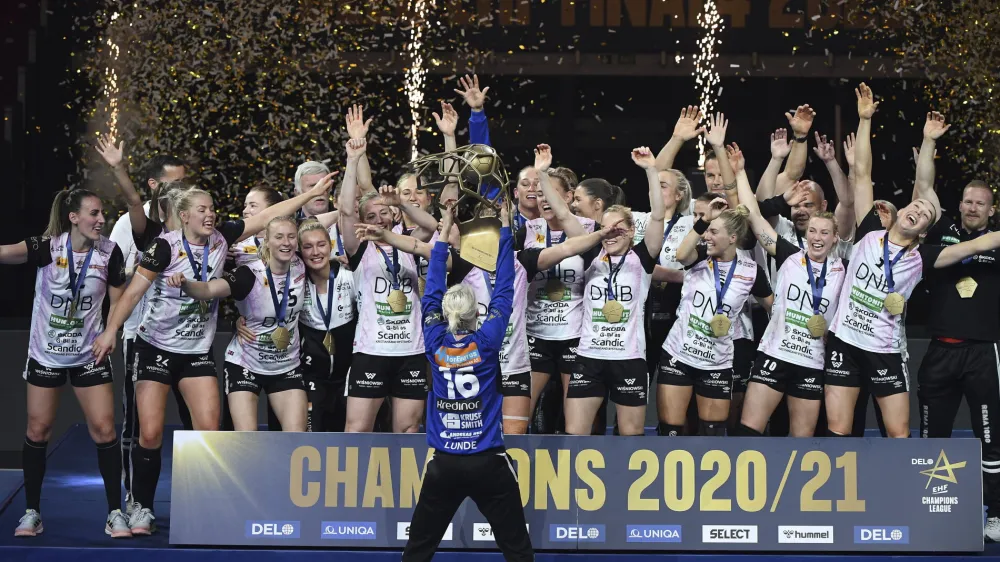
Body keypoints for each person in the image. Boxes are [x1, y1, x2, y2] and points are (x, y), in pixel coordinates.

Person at [91, 176, 334, 535]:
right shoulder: (163, 248)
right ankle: (141, 505)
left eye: (212, 209)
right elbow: (132, 294)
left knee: (209, 430)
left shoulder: (222, 237)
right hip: (155, 346)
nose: (210, 214)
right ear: (184, 215)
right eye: (202, 210)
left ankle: (206, 504)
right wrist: (110, 330)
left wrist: (310, 196)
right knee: (152, 432)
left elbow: (268, 216)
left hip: (197, 351)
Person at [823, 84, 1000, 439]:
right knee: (838, 428)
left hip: (886, 350)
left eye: (925, 212)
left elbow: (974, 246)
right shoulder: (869, 230)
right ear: (899, 212)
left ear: (924, 231)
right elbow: (862, 173)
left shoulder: (922, 257)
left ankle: (896, 493)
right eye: (915, 206)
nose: (918, 209)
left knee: (899, 434)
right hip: (844, 341)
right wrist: (863, 120)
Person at [401, 204, 532, 562]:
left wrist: (443, 233)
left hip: (444, 465)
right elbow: (505, 289)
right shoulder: (488, 340)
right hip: (488, 462)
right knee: (518, 551)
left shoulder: (433, 337)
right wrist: (505, 227)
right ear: (478, 312)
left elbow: (431, 290)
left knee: (417, 551)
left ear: (445, 311)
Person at [2, 190, 131, 538]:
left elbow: (120, 299)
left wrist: (112, 331)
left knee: (105, 430)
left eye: (102, 213)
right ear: (73, 217)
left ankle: (115, 513)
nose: (101, 219)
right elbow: (5, 253)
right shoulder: (47, 247)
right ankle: (32, 512)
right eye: (93, 213)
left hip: (89, 355)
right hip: (46, 354)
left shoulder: (109, 252)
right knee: (37, 431)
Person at [94, 137, 193, 514]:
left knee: (195, 418)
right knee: (138, 424)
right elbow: (118, 278)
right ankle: (136, 499)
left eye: (186, 181)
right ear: (154, 185)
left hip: (187, 338)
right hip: (142, 334)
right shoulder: (131, 224)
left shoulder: (191, 219)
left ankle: (204, 499)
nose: (183, 189)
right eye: (175, 183)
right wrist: (114, 329)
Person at [729, 145, 848, 437]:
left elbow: (849, 202)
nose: (817, 237)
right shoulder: (790, 255)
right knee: (749, 431)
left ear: (835, 238)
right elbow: (754, 217)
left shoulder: (843, 269)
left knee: (801, 442)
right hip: (775, 354)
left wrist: (835, 164)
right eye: (813, 232)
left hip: (812, 360)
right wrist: (740, 172)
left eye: (824, 233)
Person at [916, 178, 1000, 539]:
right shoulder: (941, 233)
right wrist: (930, 144)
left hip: (983, 351)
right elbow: (923, 185)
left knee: (990, 437)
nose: (972, 207)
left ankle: (994, 515)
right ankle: (930, 510)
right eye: (967, 201)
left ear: (991, 210)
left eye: (980, 203)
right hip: (940, 351)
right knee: (934, 437)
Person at [173, 216, 308, 431]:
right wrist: (185, 283)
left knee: (297, 438)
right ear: (267, 242)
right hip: (245, 363)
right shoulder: (249, 274)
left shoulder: (301, 265)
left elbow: (328, 233)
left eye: (291, 237)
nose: (286, 242)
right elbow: (208, 290)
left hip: (286, 366)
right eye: (279, 237)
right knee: (247, 439)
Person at [565, 147, 664, 436]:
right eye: (606, 228)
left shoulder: (643, 259)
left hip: (629, 359)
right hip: (589, 357)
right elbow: (563, 215)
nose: (611, 233)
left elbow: (658, 216)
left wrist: (650, 170)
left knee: (632, 437)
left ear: (633, 231)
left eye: (618, 228)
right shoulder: (591, 253)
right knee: (575, 435)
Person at [657, 202, 774, 436]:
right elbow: (681, 255)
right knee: (672, 430)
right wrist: (705, 220)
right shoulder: (699, 256)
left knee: (714, 433)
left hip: (717, 361)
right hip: (679, 353)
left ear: (732, 238)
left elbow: (774, 308)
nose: (707, 237)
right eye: (707, 231)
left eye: (713, 232)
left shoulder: (751, 271)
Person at [338, 138, 428, 433]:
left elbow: (429, 227)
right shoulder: (359, 247)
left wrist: (402, 202)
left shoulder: (406, 241)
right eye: (371, 216)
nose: (379, 220)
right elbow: (346, 213)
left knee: (408, 431)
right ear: (363, 222)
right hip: (372, 352)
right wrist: (352, 160)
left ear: (394, 216)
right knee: (357, 431)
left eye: (384, 214)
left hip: (411, 351)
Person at [517, 144, 594, 434]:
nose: (541, 195)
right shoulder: (527, 229)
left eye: (549, 189)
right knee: (520, 413)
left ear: (568, 197)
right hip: (535, 332)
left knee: (574, 416)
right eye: (538, 189)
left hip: (574, 333)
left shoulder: (585, 226)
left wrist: (543, 172)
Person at [296, 219, 356, 432]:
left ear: (330, 246)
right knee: (313, 437)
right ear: (299, 251)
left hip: (348, 375)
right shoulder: (296, 283)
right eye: (308, 246)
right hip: (312, 378)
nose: (315, 252)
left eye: (321, 245)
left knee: (349, 440)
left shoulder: (349, 277)